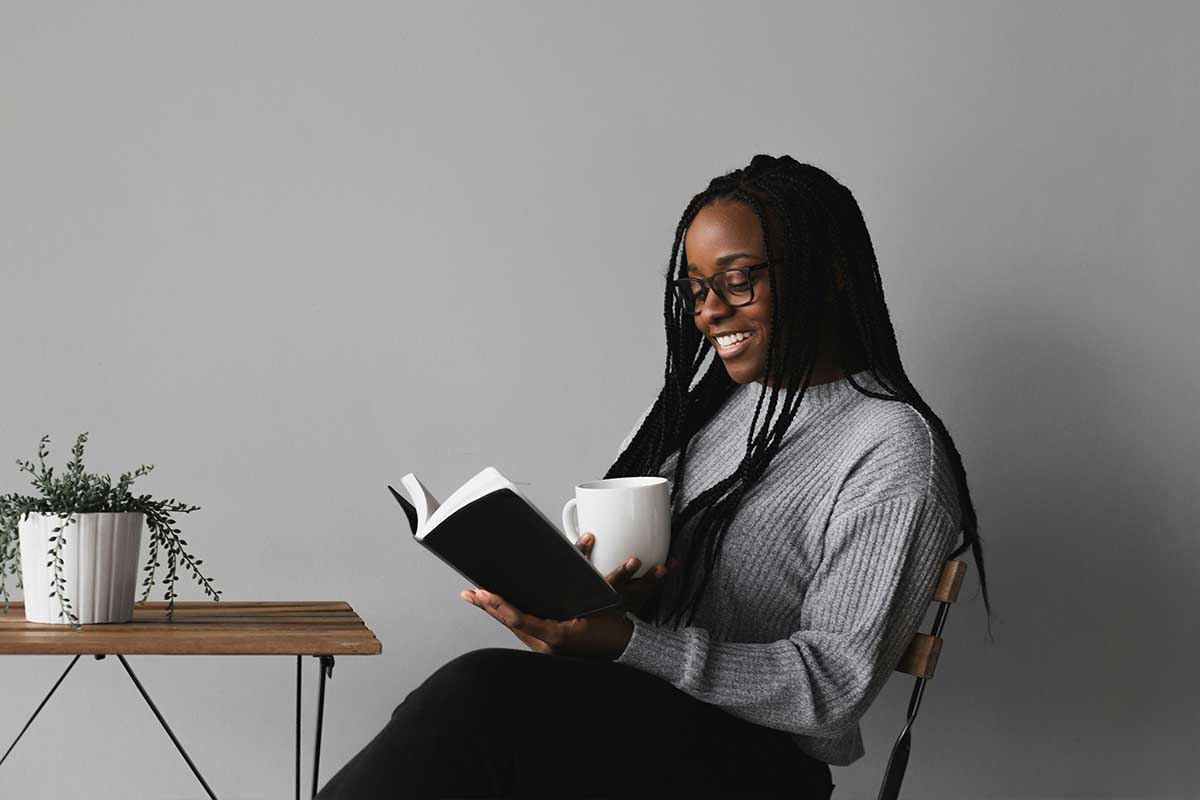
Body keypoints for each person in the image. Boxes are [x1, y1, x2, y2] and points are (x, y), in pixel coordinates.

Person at [317, 154, 992, 798]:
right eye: (696, 289)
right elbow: (654, 616)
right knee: (457, 721)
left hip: (756, 772)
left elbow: (833, 689)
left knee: (476, 698)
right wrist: (602, 608)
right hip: (645, 725)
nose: (708, 311)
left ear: (831, 271)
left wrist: (632, 642)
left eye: (737, 280)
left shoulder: (891, 448)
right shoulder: (696, 413)